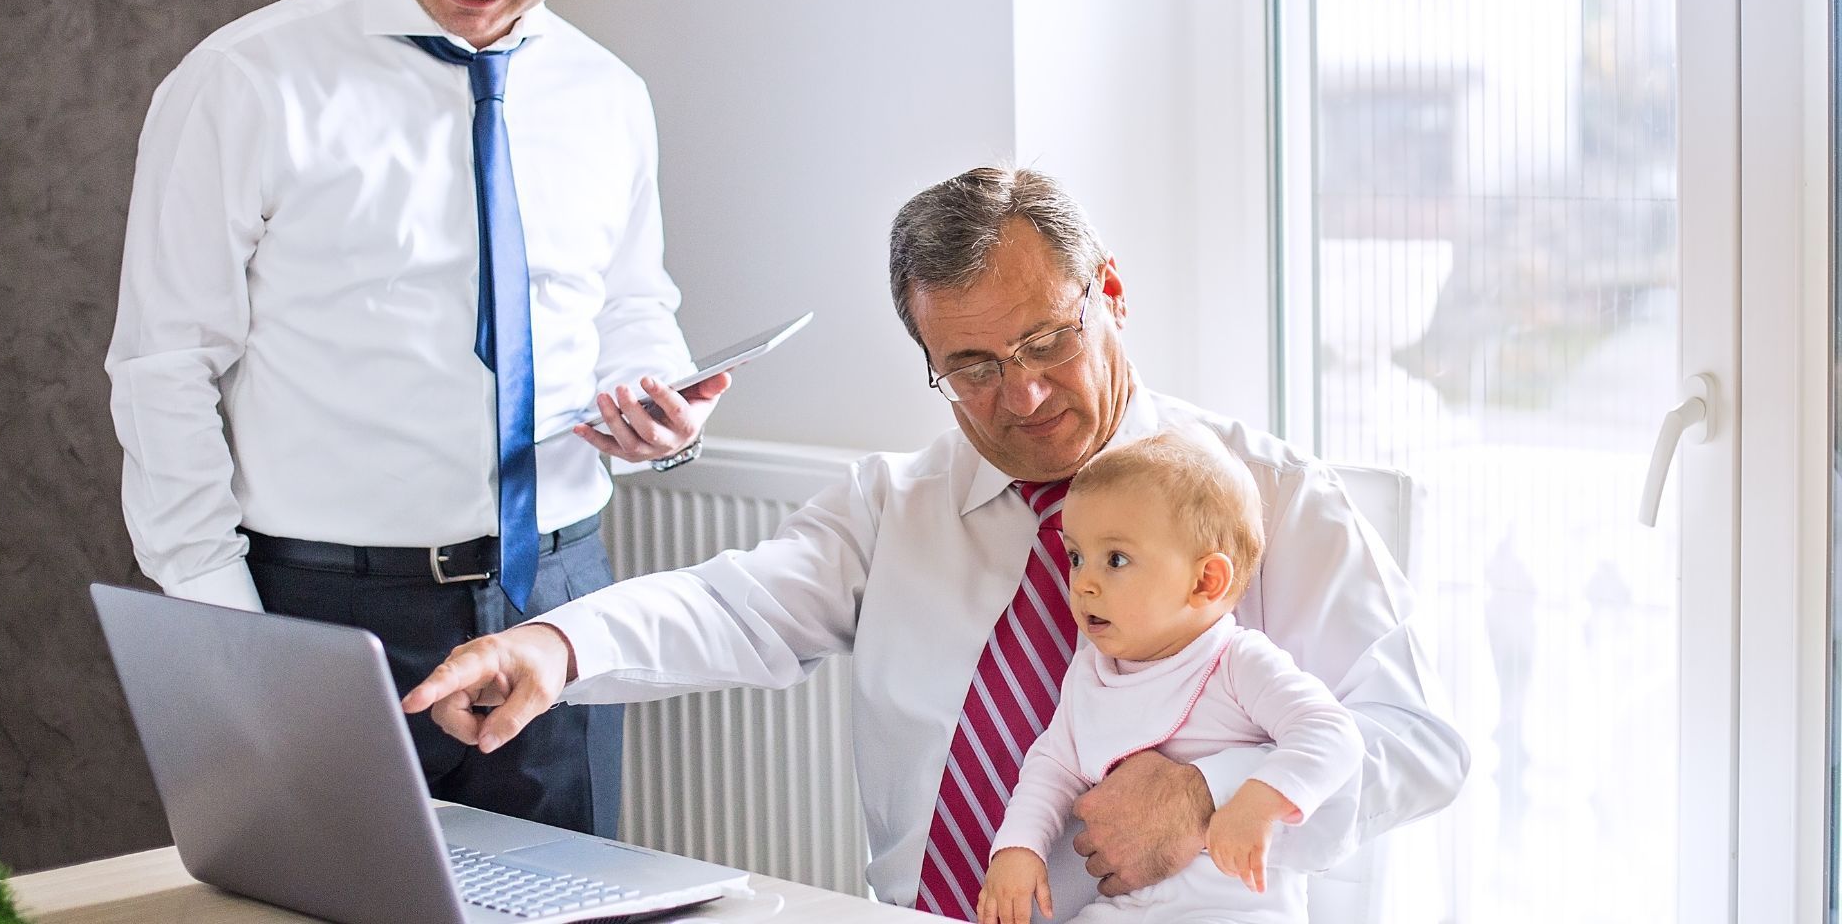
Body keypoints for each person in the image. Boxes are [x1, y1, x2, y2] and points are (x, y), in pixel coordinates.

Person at [402, 166, 1470, 918]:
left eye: (1047, 340)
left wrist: (1208, 797)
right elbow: (737, 603)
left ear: (1110, 292)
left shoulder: (1269, 495)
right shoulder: (897, 503)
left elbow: (1419, 742)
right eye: (973, 367)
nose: (1026, 395)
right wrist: (555, 648)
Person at [103, 0, 725, 838]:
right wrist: (230, 628)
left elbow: (629, 306)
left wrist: (657, 404)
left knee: (581, 900)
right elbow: (163, 369)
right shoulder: (242, 83)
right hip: (324, 613)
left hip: (559, 607)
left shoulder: (609, 95)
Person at [977, 429, 1363, 924]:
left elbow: (1331, 731)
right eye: (1076, 557)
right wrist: (1018, 847)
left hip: (1232, 911)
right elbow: (1053, 764)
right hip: (1125, 907)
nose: (1084, 582)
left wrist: (1260, 797)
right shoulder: (1091, 672)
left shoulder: (1236, 660)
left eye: (1116, 559)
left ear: (1205, 581)